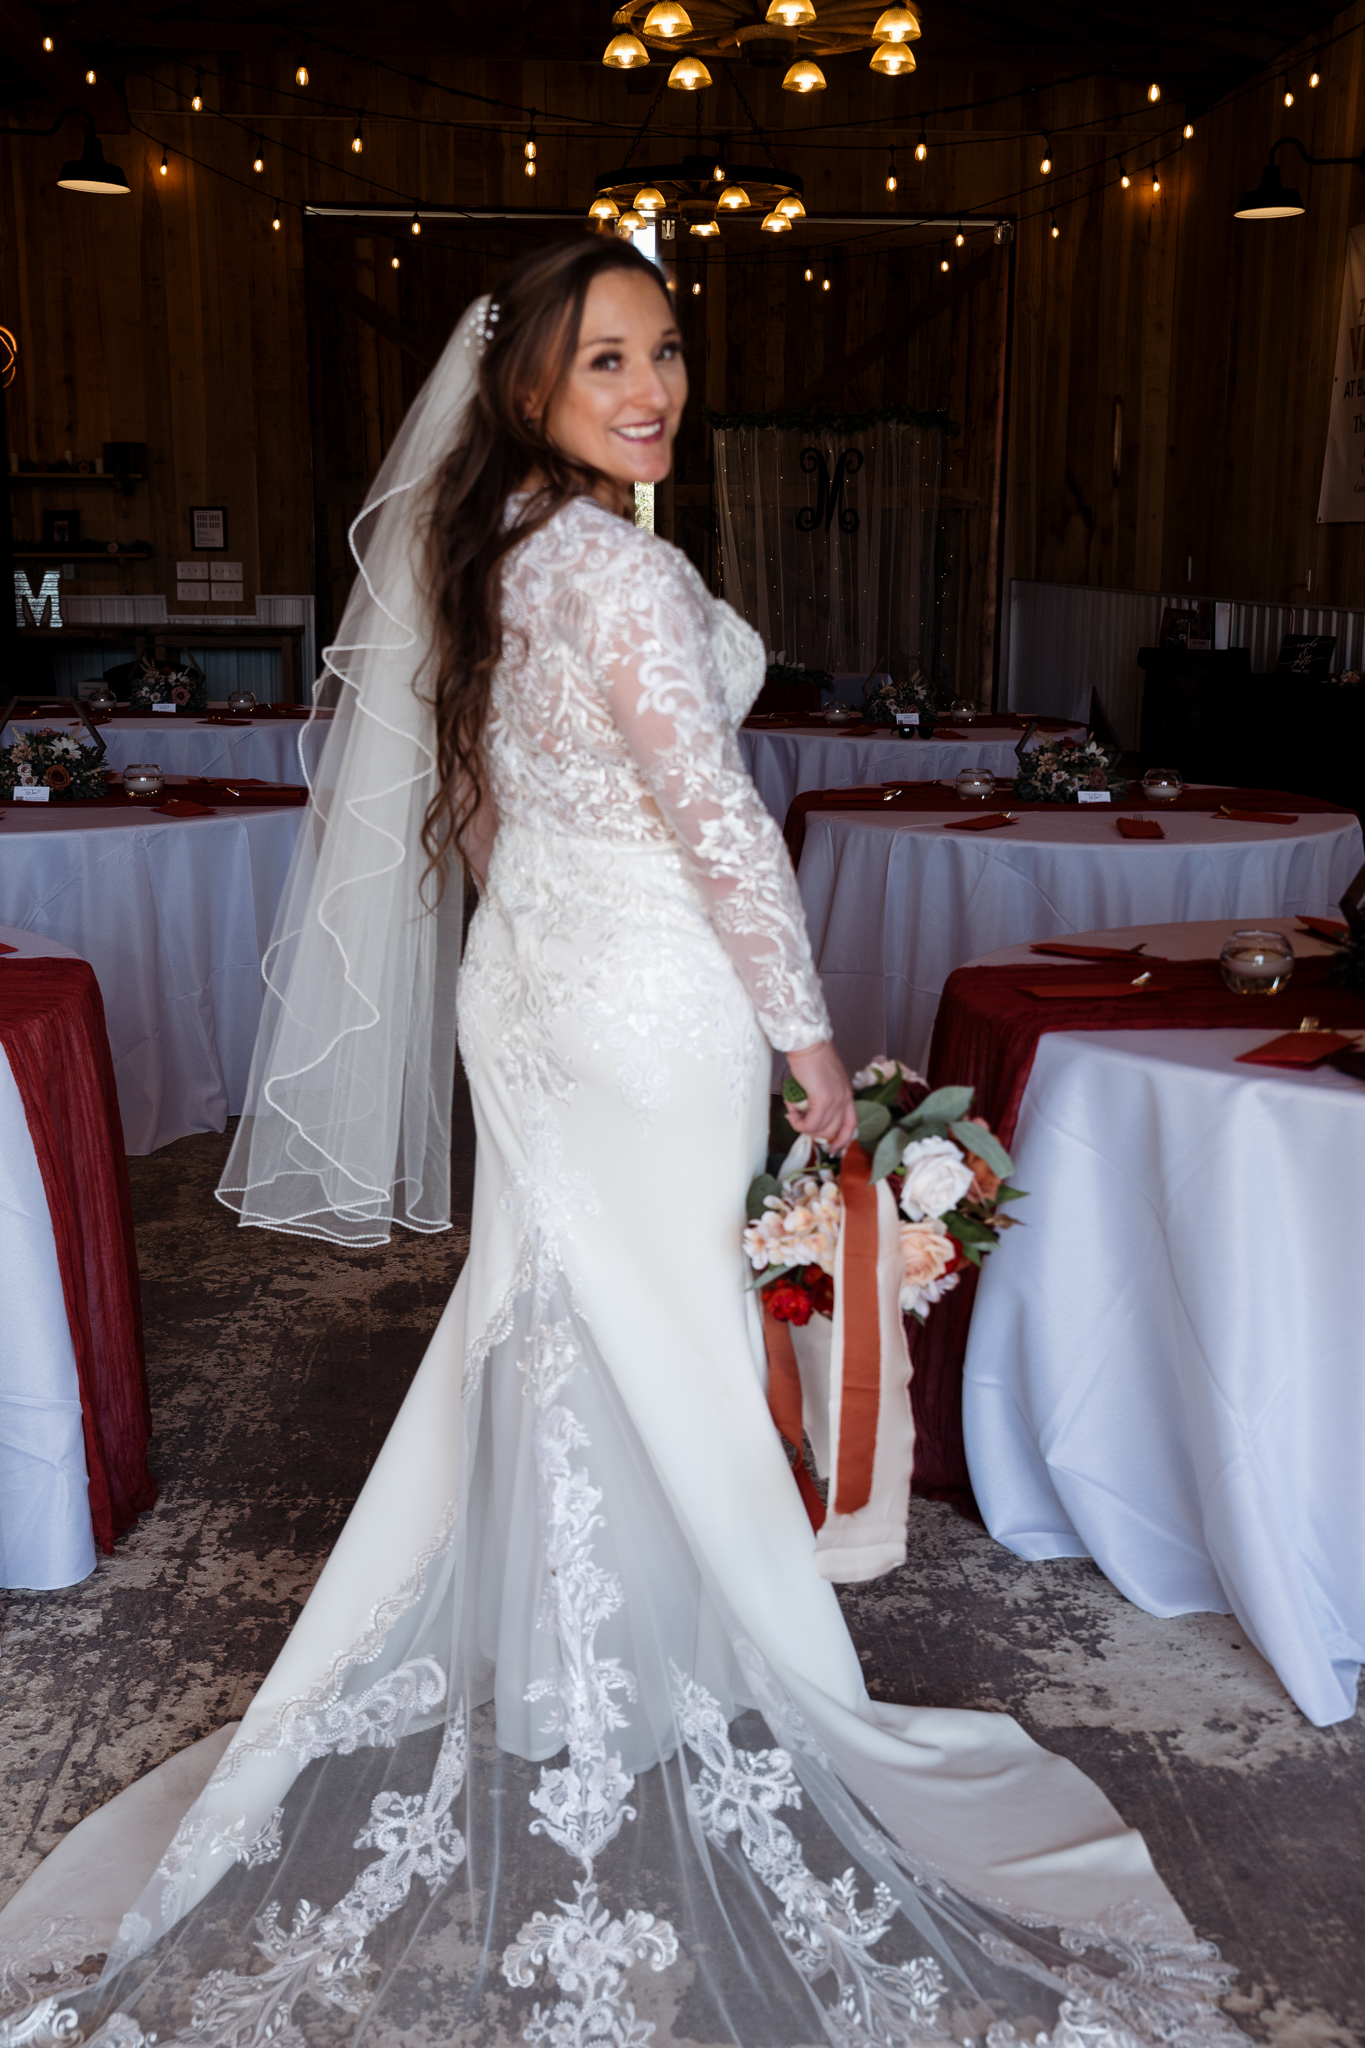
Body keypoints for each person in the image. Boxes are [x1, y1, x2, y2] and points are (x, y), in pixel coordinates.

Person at [0, 239, 1240, 2046]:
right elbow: (716, 819)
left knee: (565, 1314)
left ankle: (568, 1669)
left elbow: (483, 808)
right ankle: (700, 1665)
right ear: (528, 382)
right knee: (669, 1335)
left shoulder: (493, 549)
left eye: (665, 352)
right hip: (650, 998)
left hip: (537, 985)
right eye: (607, 361)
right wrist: (806, 1045)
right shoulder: (612, 567)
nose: (652, 389)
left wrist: (544, 948)